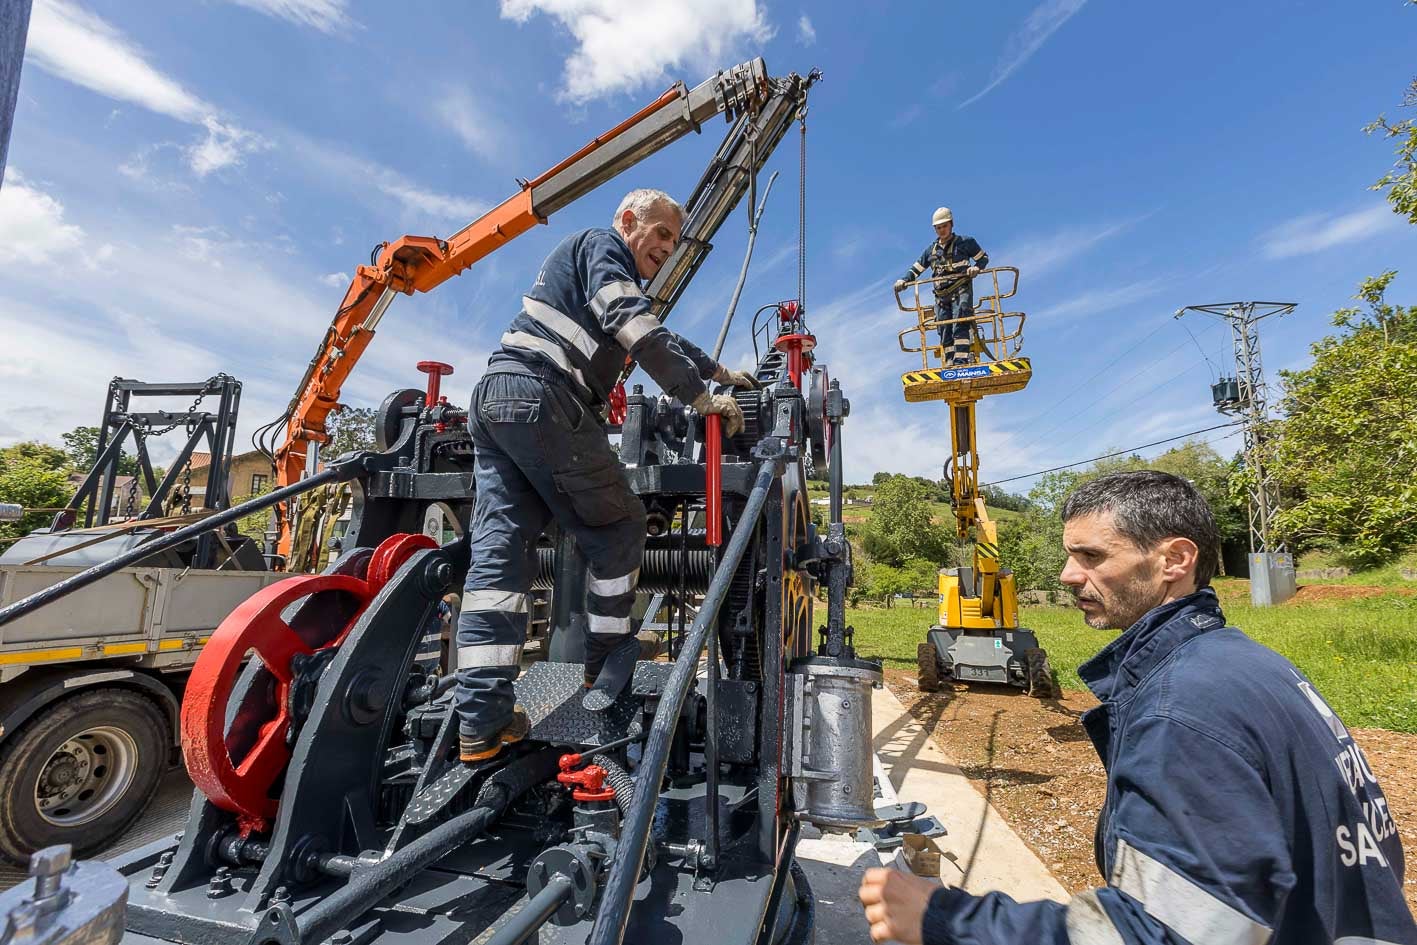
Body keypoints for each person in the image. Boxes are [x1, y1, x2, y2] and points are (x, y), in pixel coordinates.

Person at [859, 471, 1415, 944]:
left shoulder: (1183, 706)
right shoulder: (1254, 667)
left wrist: (948, 920)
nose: (1068, 574)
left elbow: (1167, 933)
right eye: (1070, 556)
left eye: (1092, 556)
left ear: (1175, 558)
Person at [453, 188, 758, 763]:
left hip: (496, 399)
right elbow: (631, 322)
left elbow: (657, 331)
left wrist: (721, 371)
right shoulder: (600, 246)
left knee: (500, 552)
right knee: (619, 528)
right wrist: (700, 397)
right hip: (547, 397)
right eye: (662, 234)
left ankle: (483, 719)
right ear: (627, 221)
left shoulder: (596, 277)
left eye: (674, 239)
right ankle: (605, 660)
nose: (668, 248)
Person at [894, 207, 988, 367]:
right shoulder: (931, 251)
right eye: (938, 227)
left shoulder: (965, 243)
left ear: (951, 224)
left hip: (961, 289)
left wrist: (976, 268)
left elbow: (983, 258)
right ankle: (950, 361)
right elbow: (916, 269)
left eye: (944, 226)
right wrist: (904, 280)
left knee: (961, 320)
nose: (941, 230)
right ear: (934, 229)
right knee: (943, 326)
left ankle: (961, 361)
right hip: (941, 295)